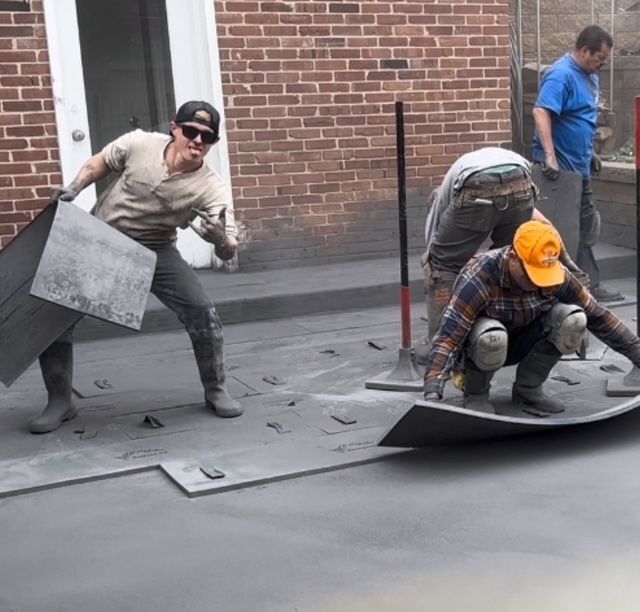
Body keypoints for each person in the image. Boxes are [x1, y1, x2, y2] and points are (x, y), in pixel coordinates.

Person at [30, 100, 243, 434]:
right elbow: (101, 162)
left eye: (208, 137)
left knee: (202, 310)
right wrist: (74, 187)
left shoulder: (212, 186)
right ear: (175, 129)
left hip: (156, 248)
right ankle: (60, 401)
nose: (198, 141)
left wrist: (221, 242)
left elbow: (229, 247)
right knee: (53, 312)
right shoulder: (140, 143)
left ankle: (216, 390)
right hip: (101, 238)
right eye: (191, 131)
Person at [423, 220, 640, 415]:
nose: (537, 282)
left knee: (573, 319)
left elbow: (598, 315)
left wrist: (637, 354)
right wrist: (433, 392)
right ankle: (476, 394)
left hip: (525, 340)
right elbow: (448, 338)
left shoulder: (556, 274)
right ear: (513, 258)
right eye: (531, 273)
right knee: (492, 335)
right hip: (483, 346)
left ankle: (528, 389)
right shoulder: (481, 274)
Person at [416, 146, 585, 363]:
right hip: (520, 180)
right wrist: (569, 266)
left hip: (478, 183)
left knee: (443, 265)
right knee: (512, 260)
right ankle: (507, 333)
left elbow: (437, 259)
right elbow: (545, 226)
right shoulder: (470, 170)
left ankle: (441, 346)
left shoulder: (440, 204)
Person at [532, 24, 623, 303]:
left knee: (585, 225)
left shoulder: (590, 76)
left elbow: (582, 117)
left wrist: (591, 152)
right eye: (600, 58)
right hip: (560, 170)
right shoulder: (561, 74)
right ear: (584, 51)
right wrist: (550, 157)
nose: (603, 65)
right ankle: (557, 289)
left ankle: (585, 286)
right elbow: (541, 111)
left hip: (580, 166)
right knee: (559, 229)